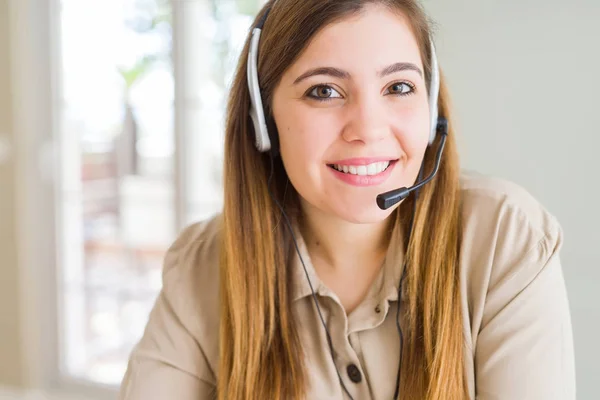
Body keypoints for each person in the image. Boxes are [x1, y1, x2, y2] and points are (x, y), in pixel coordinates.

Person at [118, 0, 576, 399]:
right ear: (264, 120)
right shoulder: (202, 265)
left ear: (431, 103)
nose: (369, 129)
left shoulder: (504, 239)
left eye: (398, 87)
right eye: (324, 91)